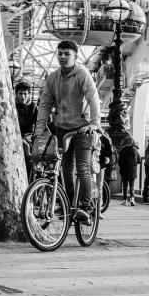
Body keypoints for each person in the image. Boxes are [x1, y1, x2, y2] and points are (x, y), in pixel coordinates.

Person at [35, 39, 101, 225]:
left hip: (82, 129)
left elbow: (93, 98)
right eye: (60, 53)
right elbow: (45, 104)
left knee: (82, 167)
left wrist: (94, 123)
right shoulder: (53, 78)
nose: (63, 57)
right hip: (62, 129)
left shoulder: (82, 74)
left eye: (67, 54)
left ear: (75, 57)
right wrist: (40, 129)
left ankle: (86, 207)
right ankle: (71, 207)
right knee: (65, 169)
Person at [118, 137, 141, 206]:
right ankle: (132, 199)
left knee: (125, 185)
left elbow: (120, 161)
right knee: (132, 185)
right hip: (133, 170)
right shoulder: (135, 150)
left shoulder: (122, 150)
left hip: (124, 170)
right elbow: (139, 160)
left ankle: (125, 200)